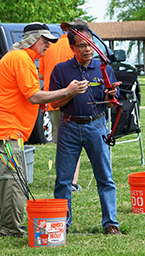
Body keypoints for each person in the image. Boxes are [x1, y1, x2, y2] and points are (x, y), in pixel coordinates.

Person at [0, 22, 89, 238]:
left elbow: (27, 95)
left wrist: (39, 100)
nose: (48, 45)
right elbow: (33, 95)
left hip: (10, 131)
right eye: (45, 40)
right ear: (32, 40)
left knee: (7, 181)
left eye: (50, 41)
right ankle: (11, 229)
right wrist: (68, 90)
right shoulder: (21, 59)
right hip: (9, 132)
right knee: (14, 181)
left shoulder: (19, 58)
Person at [49, 23, 122, 234]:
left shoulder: (104, 68)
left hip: (96, 126)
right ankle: (62, 225)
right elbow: (55, 104)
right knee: (63, 180)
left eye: (90, 44)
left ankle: (111, 224)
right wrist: (70, 92)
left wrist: (110, 97)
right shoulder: (61, 70)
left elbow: (109, 103)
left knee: (105, 178)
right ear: (72, 47)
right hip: (69, 127)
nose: (87, 49)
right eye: (81, 45)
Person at [39, 19, 88, 192]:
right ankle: (72, 182)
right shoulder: (76, 47)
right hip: (71, 102)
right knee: (75, 143)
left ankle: (63, 180)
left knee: (62, 143)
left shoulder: (49, 46)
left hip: (52, 101)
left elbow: (43, 74)